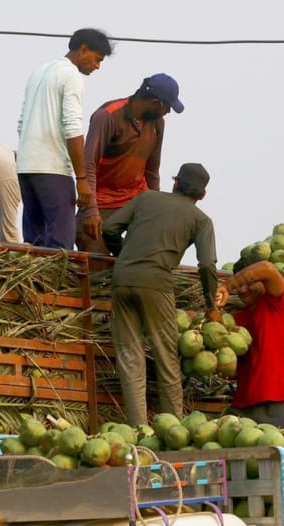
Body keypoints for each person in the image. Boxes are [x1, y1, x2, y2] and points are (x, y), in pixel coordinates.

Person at [102, 163, 220, 424]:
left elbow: (109, 228)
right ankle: (173, 428)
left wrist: (124, 255)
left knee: (130, 358)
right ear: (202, 195)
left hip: (122, 279)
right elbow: (207, 265)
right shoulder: (201, 220)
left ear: (175, 183)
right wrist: (212, 305)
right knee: (167, 360)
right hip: (157, 284)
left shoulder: (146, 198)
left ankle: (138, 430)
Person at [16, 27, 113, 249]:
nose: (97, 66)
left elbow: (22, 123)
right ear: (84, 49)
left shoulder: (39, 71)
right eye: (97, 59)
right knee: (60, 246)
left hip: (26, 167)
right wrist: (81, 178)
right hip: (53, 169)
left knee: (34, 243)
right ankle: (52, 284)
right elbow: (72, 127)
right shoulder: (71, 76)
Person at [77, 73, 185, 253]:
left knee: (148, 253)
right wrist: (90, 211)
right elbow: (89, 165)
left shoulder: (158, 123)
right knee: (93, 255)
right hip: (102, 201)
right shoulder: (107, 116)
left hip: (136, 198)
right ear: (156, 103)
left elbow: (152, 170)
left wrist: (154, 209)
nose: (167, 112)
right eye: (167, 107)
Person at [214, 259, 284, 428]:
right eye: (239, 286)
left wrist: (229, 285)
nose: (242, 290)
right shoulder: (237, 320)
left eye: (248, 283)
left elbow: (267, 268)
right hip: (243, 407)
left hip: (279, 401)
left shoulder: (278, 302)